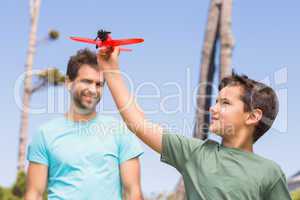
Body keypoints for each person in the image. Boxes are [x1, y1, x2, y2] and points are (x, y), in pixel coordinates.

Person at [98, 47, 291, 200]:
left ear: (252, 116)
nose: (213, 109)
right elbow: (138, 123)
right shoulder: (196, 153)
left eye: (225, 103)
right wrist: (110, 70)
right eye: (216, 101)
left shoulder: (270, 173)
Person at [25, 49, 144, 200]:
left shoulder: (120, 131)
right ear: (69, 83)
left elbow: (133, 192)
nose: (93, 89)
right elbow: (34, 194)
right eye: (86, 81)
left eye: (99, 84)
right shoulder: (44, 134)